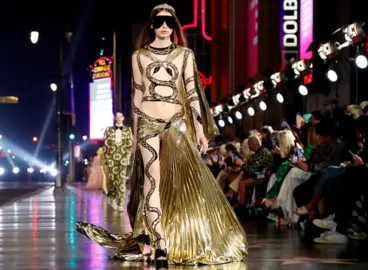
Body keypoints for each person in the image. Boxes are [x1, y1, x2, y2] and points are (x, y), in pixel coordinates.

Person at [76, 3, 247, 268]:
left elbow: (192, 92)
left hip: (176, 122)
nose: (164, 26)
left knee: (182, 181)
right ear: (152, 25)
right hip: (147, 124)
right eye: (159, 21)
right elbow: (137, 95)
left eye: (169, 22)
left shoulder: (185, 55)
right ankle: (161, 244)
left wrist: (200, 129)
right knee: (152, 181)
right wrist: (134, 134)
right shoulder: (138, 57)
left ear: (175, 26)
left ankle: (186, 235)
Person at [103, 112, 133, 212]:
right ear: (114, 118)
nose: (118, 118)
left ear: (123, 118)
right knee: (113, 179)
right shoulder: (109, 130)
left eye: (120, 116)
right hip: (112, 158)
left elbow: (129, 145)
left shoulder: (128, 130)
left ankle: (120, 203)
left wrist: (127, 157)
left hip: (123, 158)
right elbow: (106, 145)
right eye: (117, 116)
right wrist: (107, 157)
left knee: (121, 180)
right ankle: (111, 197)